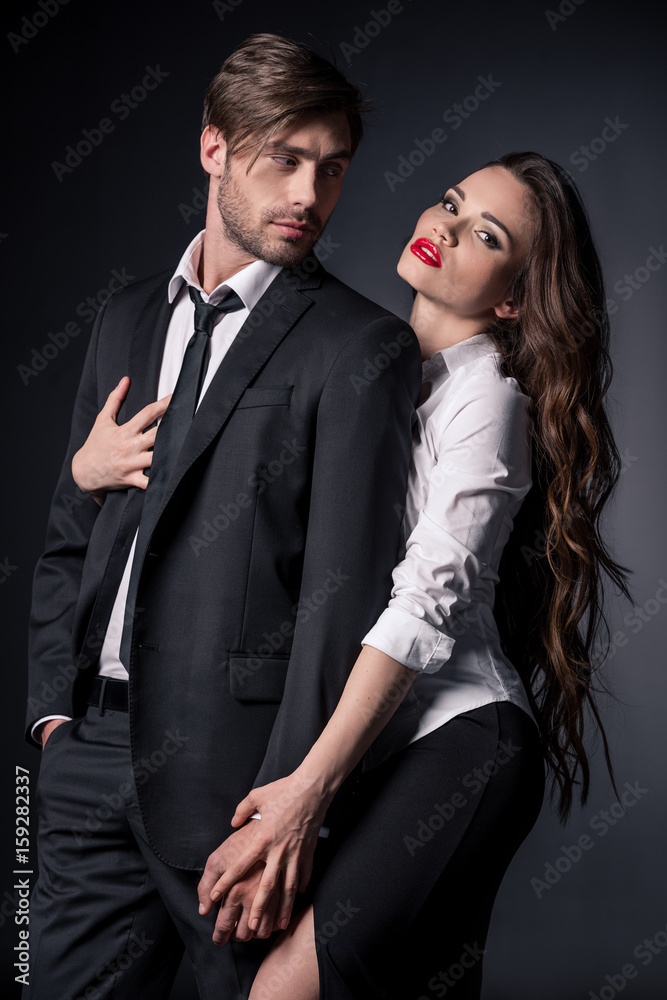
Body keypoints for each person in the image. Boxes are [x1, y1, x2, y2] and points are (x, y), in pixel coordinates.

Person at [24, 34, 423, 1000]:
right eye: (284, 159)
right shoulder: (124, 320)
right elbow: (72, 531)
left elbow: (341, 599)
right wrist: (49, 719)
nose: (308, 195)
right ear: (214, 148)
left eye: (331, 169)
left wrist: (290, 801)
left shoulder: (359, 345)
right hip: (84, 758)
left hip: (236, 784)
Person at [183, 153, 630, 999]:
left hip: (455, 744)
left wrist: (306, 790)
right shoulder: (375, 370)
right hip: (377, 746)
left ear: (512, 299)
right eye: (451, 204)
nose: (445, 229)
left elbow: (425, 605)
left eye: (486, 235)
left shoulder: (487, 399)